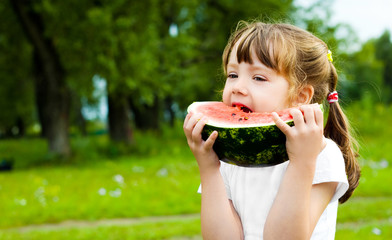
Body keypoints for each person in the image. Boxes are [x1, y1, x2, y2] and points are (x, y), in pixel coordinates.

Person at [183, 20, 361, 240]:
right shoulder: (231, 155)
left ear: (300, 97)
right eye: (232, 75)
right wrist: (209, 168)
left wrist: (302, 162)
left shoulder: (322, 155)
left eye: (258, 78)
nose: (238, 87)